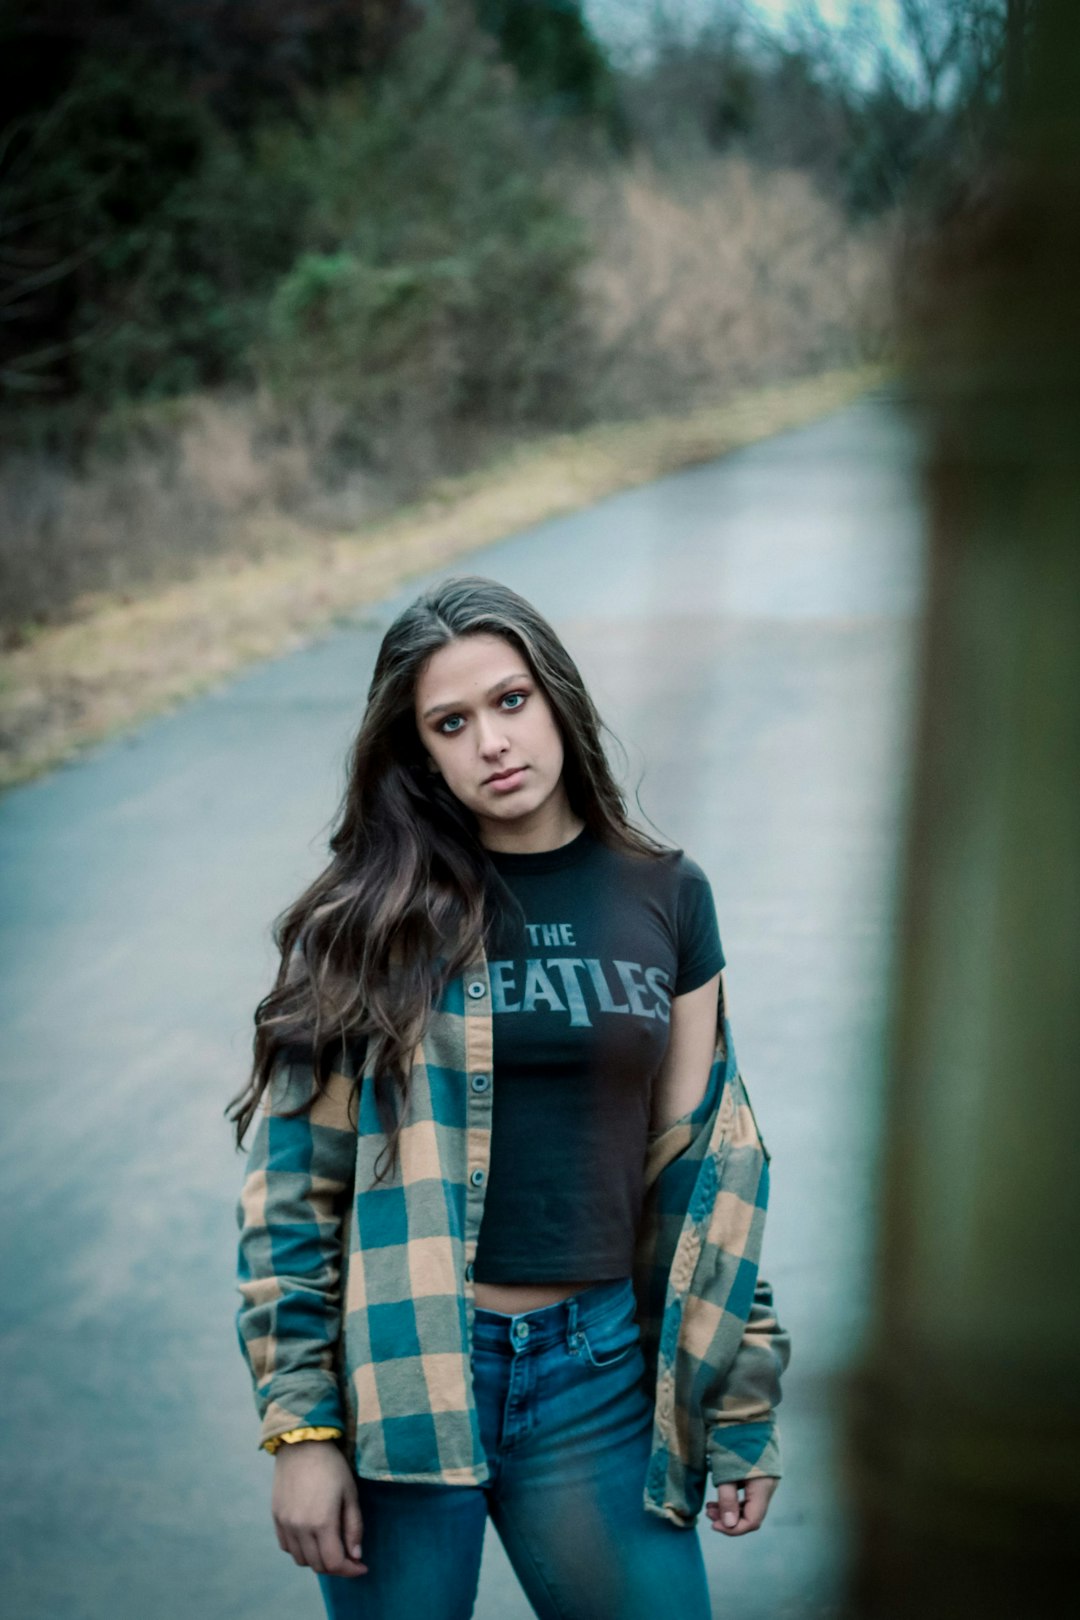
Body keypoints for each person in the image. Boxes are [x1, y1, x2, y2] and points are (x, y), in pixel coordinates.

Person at [229, 574, 791, 1620]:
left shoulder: (667, 894)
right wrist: (301, 1432)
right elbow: (291, 1202)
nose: (491, 740)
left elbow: (713, 1172)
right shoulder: (364, 925)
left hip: (596, 1380)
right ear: (421, 753)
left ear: (557, 700)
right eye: (452, 722)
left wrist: (742, 1405)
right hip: (404, 1385)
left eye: (510, 700)